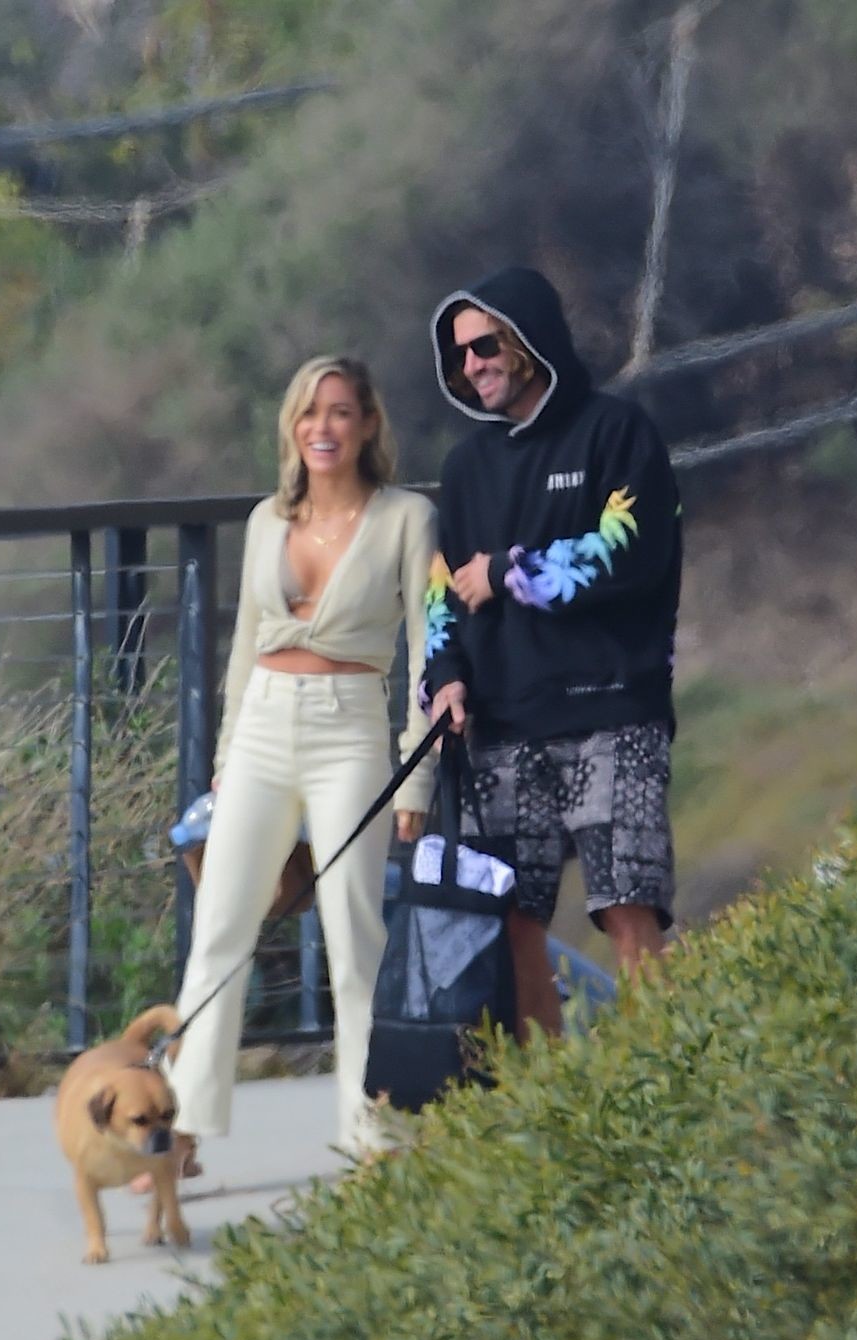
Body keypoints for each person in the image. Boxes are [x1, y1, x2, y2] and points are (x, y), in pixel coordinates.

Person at [164, 355, 437, 1169]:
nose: (324, 427)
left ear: (368, 424)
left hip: (350, 728)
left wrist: (417, 771)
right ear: (292, 426)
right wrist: (225, 756)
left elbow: (429, 649)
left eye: (341, 411)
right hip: (261, 728)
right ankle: (181, 1127)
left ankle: (372, 1133)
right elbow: (245, 645)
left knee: (355, 937)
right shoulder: (265, 521)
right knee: (220, 926)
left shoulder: (407, 518)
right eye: (310, 412)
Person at [421, 266, 683, 1039]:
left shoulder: (619, 432)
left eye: (485, 346)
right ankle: (546, 1093)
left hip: (614, 711)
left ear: (529, 341)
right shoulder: (465, 468)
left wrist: (508, 572)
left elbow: (631, 549)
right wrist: (444, 680)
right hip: (501, 724)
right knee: (512, 921)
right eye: (459, 355)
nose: (472, 365)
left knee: (629, 906)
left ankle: (660, 1077)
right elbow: (442, 591)